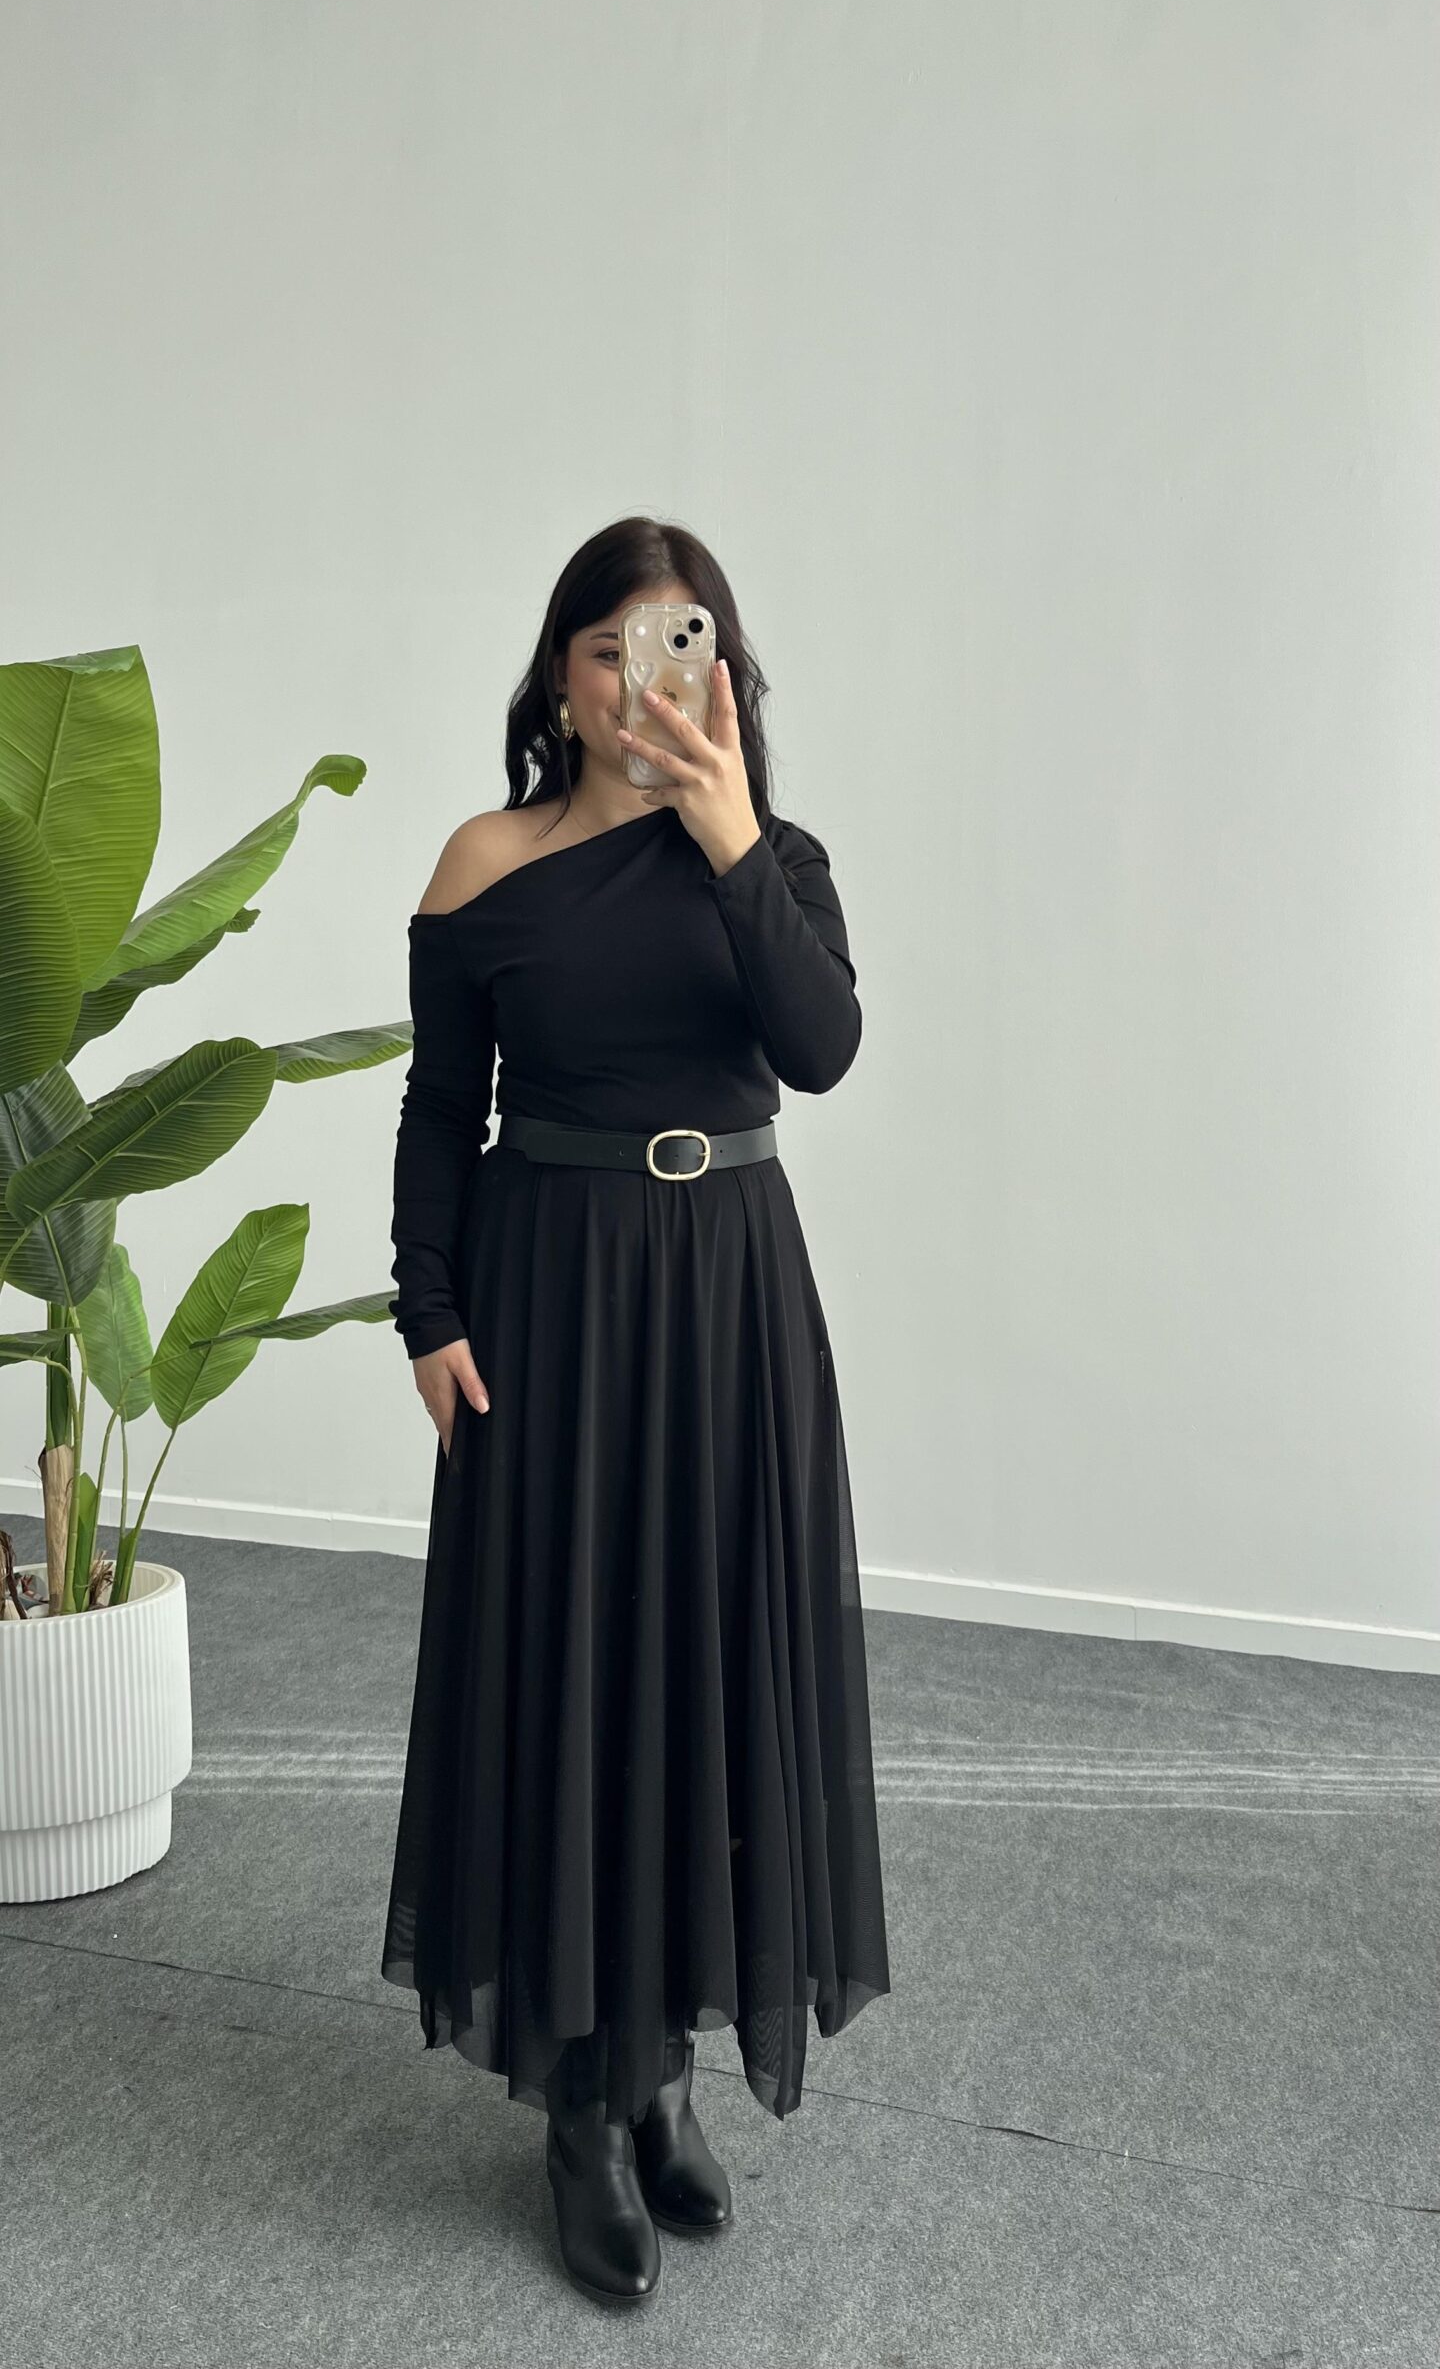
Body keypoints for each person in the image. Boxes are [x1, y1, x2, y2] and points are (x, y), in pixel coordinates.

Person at [381, 516, 890, 2307]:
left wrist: (731, 833)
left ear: (722, 673)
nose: (633, 680)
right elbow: (441, 1108)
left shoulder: (778, 861)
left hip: (731, 1298)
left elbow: (821, 1050)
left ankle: (666, 2070)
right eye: (604, 648)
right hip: (548, 1297)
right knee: (569, 1669)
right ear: (558, 675)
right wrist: (426, 1307)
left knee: (705, 1672)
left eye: (672, 645)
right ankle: (582, 2109)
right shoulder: (485, 861)